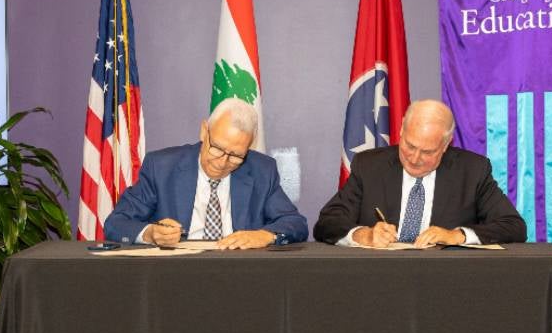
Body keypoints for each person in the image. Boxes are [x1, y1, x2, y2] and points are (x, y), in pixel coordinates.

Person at [314, 99, 526, 247]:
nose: (415, 158)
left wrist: (457, 236)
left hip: (446, 282)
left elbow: (513, 226)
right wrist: (363, 235)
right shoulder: (369, 166)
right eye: (409, 146)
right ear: (401, 132)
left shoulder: (472, 171)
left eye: (427, 152)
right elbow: (327, 222)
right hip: (378, 278)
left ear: (445, 145)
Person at [105, 98, 307, 249]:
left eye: (236, 156)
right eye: (217, 148)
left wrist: (266, 235)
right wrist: (150, 234)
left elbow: (296, 223)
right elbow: (116, 223)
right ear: (204, 131)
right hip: (175, 276)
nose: (223, 162)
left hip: (240, 274)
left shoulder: (262, 170)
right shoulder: (162, 167)